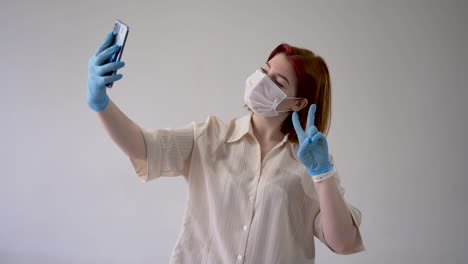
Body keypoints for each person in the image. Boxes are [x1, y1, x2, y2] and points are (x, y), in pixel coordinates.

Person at [87, 32, 366, 263]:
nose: (262, 82)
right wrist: (101, 104)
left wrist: (322, 173)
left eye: (278, 82)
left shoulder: (310, 161)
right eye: (264, 71)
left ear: (298, 103)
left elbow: (341, 242)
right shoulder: (210, 136)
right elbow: (143, 148)